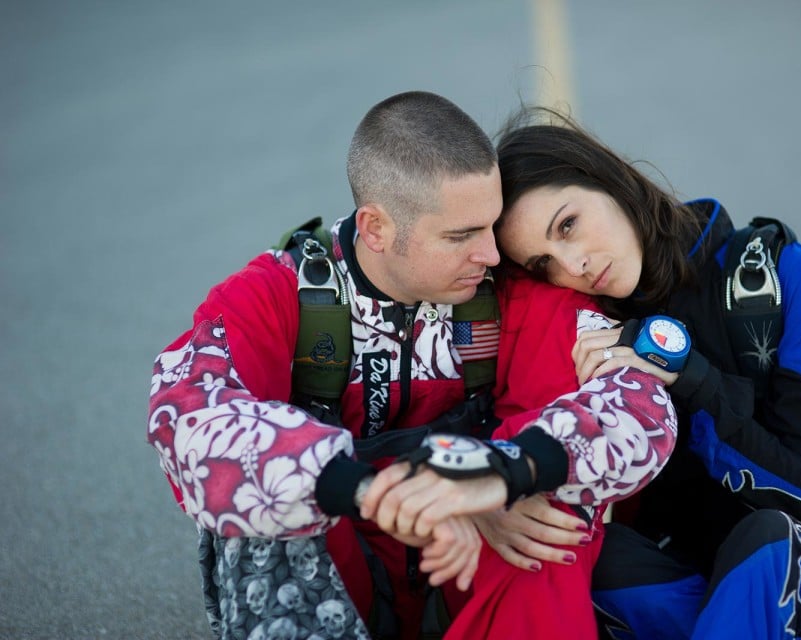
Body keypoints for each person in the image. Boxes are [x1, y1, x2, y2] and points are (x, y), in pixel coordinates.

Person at [147, 91, 677, 640]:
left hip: (472, 578)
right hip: (341, 564)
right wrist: (372, 492)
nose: (493, 255)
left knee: (556, 502)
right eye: (460, 235)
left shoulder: (509, 290)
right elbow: (183, 416)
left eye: (490, 226)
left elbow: (640, 403)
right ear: (376, 229)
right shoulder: (280, 294)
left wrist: (499, 475)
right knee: (260, 513)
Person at [491, 108, 801, 639]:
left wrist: (686, 375)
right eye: (544, 264)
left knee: (764, 544)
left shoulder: (784, 277)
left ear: (607, 178)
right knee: (580, 553)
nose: (573, 266)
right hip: (692, 584)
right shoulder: (595, 332)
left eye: (568, 225)